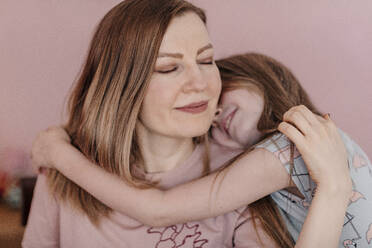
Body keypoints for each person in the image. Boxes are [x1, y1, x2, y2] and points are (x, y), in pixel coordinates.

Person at [25, 1, 353, 247]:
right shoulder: (62, 176)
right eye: (169, 68)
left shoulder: (244, 174)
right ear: (121, 87)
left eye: (206, 60)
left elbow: (157, 209)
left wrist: (335, 188)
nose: (200, 82)